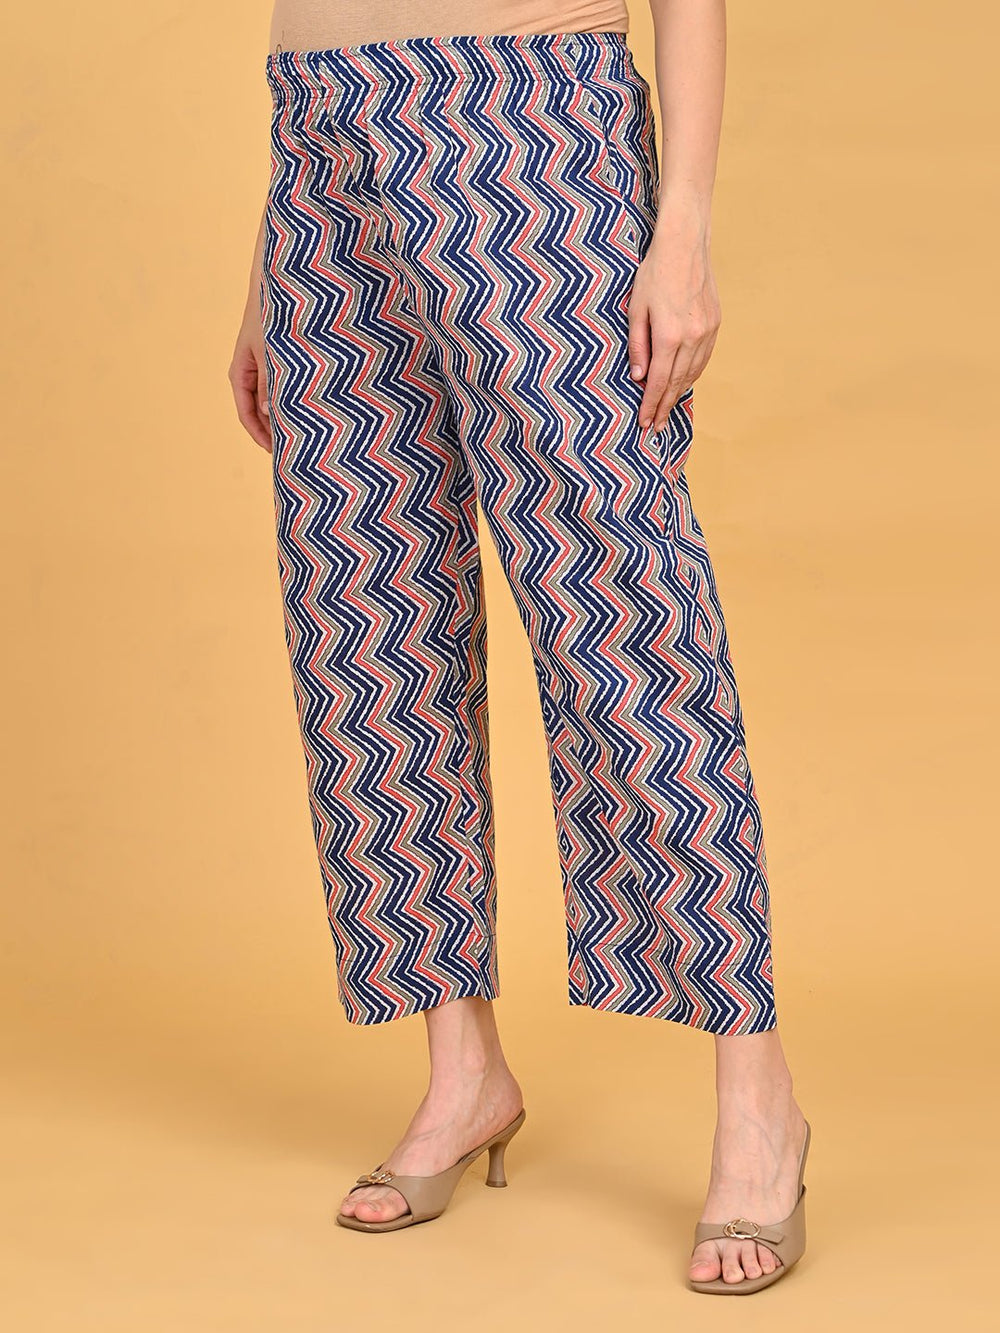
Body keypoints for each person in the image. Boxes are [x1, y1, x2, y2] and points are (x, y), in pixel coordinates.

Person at [229, 0, 811, 1294]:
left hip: (525, 118)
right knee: (367, 622)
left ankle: (758, 1097)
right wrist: (272, 261)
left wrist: (682, 225)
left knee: (626, 626)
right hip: (320, 144)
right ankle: (464, 1069)